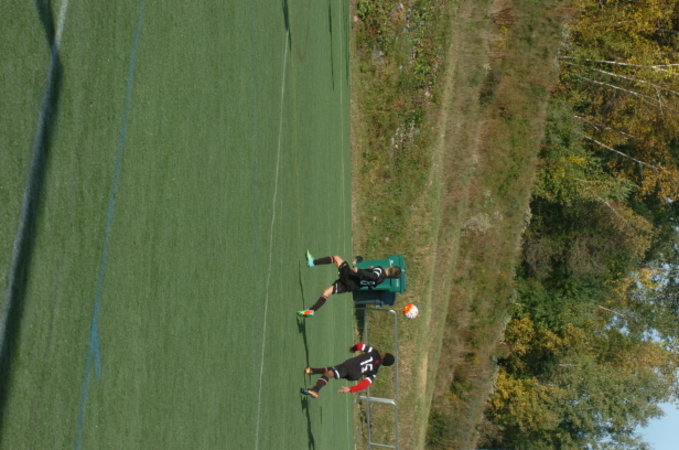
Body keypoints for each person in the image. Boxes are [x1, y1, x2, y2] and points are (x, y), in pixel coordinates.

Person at [297, 251, 402, 317]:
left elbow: (373, 276)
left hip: (350, 276)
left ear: (391, 267)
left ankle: (312, 262)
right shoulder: (382, 280)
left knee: (336, 258)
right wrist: (369, 271)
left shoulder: (380, 271)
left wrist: (359, 271)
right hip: (351, 286)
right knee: (326, 292)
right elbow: (372, 283)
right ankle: (312, 310)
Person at [301, 342, 395, 398]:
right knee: (334, 370)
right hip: (354, 376)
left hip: (350, 366)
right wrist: (351, 389)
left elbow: (360, 346)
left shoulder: (374, 352)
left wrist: (353, 349)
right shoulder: (375, 371)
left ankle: (315, 390)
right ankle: (312, 370)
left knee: (329, 374)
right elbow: (365, 384)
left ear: (384, 355)